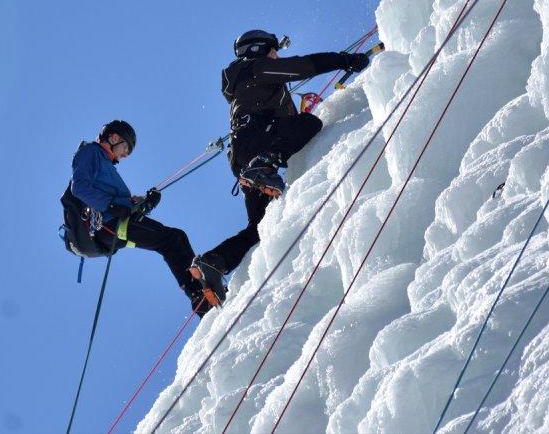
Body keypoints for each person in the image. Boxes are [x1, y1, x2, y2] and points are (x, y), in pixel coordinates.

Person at [187, 30, 370, 305]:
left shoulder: (250, 84)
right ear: (257, 50)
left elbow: (283, 119)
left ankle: (215, 262)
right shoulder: (255, 68)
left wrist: (299, 111)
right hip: (257, 143)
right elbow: (305, 66)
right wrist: (346, 60)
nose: (277, 56)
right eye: (273, 51)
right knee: (310, 125)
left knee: (260, 227)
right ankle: (264, 166)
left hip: (243, 153)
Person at [69, 120, 210, 316]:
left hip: (117, 222)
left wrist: (145, 202)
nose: (125, 154)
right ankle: (199, 296)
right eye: (126, 147)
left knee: (177, 236)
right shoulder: (91, 153)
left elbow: (121, 203)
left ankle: (203, 287)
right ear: (114, 137)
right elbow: (80, 187)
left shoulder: (105, 164)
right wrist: (110, 205)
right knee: (169, 241)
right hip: (109, 225)